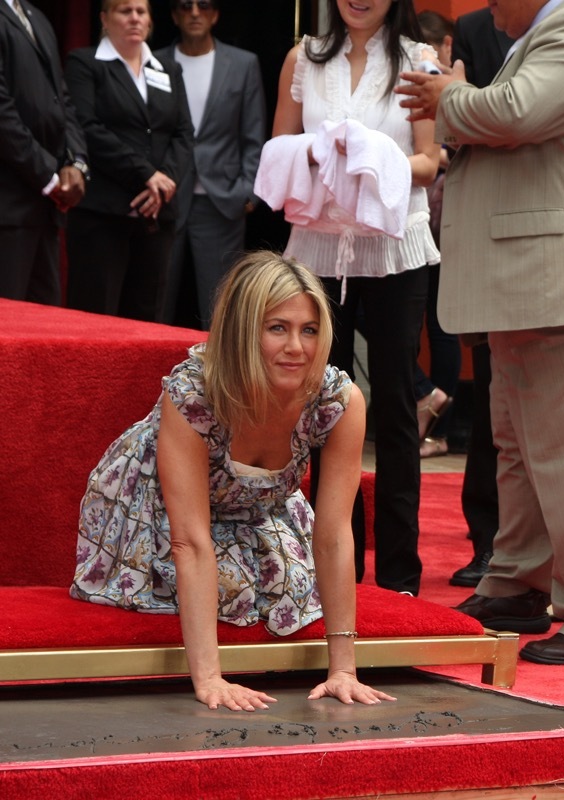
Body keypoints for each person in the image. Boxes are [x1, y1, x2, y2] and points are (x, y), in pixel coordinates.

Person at [398, 0, 564, 665]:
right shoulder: (551, 33)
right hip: (538, 282)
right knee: (522, 448)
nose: (487, 6)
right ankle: (518, 579)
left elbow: (514, 115)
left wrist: (450, 95)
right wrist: (458, 102)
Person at [71, 252, 395, 712]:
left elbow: (335, 535)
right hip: (157, 505)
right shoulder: (194, 392)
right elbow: (190, 541)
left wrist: (343, 668)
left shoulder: (336, 398)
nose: (297, 348)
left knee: (294, 589)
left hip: (259, 505)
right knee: (234, 588)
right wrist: (209, 679)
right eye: (277, 328)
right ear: (244, 329)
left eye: (309, 330)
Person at [271, 0, 441, 596]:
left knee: (394, 406)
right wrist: (317, 155)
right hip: (318, 251)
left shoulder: (420, 60)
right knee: (318, 407)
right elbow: (277, 146)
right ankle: (327, 567)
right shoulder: (304, 58)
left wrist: (370, 157)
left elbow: (431, 158)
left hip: (394, 248)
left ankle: (399, 576)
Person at [438, 5, 517, 587]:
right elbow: (456, 129)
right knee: (493, 396)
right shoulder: (474, 29)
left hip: (561, 237)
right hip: (494, 225)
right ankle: (489, 542)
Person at [64, 0, 194, 323]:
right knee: (95, 319)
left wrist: (164, 181)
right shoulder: (85, 63)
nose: (135, 18)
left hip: (156, 214)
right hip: (103, 214)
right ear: (105, 19)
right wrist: (146, 174)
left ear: (150, 20)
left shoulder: (167, 68)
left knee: (146, 320)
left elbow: (183, 132)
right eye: (125, 10)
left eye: (141, 11)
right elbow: (87, 127)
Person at [156, 0, 266, 330]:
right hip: (166, 198)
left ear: (216, 14)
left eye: (203, 5)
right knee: (155, 300)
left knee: (220, 309)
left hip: (221, 201)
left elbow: (254, 134)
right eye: (185, 6)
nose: (194, 13)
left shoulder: (243, 64)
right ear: (173, 15)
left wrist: (248, 193)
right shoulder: (154, 63)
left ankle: (219, 382)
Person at [0, 0, 88, 306]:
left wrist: (76, 163)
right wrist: (49, 176)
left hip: (46, 208)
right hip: (10, 205)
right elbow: (2, 114)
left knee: (46, 326)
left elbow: (61, 100)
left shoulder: (37, 17)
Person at [413, 9, 459, 460]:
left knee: (441, 322)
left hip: (442, 216)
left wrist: (438, 157)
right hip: (421, 214)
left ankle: (435, 423)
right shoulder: (425, 80)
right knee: (437, 322)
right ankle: (428, 398)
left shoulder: (451, 84)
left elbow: (450, 151)